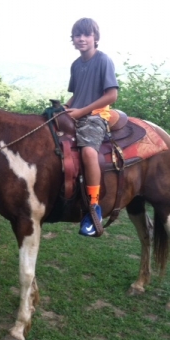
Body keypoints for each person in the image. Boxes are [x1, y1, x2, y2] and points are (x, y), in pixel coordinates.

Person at [64, 17, 118, 237]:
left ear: (95, 37)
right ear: (73, 39)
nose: (82, 39)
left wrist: (81, 111)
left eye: (87, 34)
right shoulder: (76, 65)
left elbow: (111, 95)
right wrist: (65, 107)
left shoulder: (103, 60)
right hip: (77, 113)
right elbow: (77, 94)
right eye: (78, 35)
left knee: (88, 152)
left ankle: (93, 206)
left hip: (96, 116)